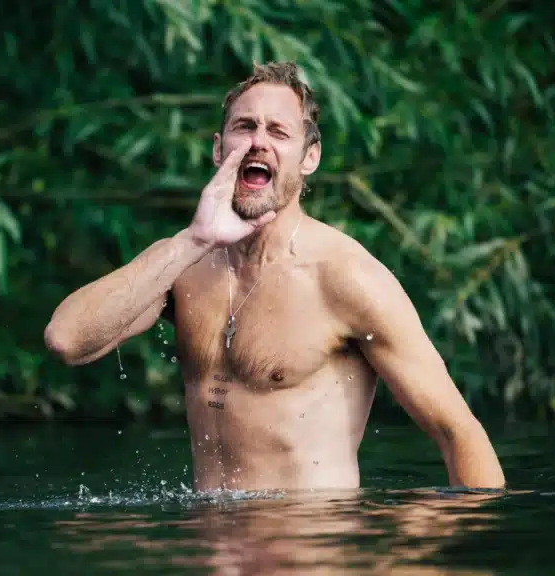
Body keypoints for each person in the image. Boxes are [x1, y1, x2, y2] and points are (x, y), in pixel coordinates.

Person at [43, 61, 506, 492]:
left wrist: (453, 541)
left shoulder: (346, 278)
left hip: (310, 540)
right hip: (210, 541)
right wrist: (192, 241)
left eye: (278, 131)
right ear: (218, 148)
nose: (257, 142)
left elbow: (457, 431)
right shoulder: (184, 264)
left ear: (309, 157)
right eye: (244, 127)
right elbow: (66, 340)